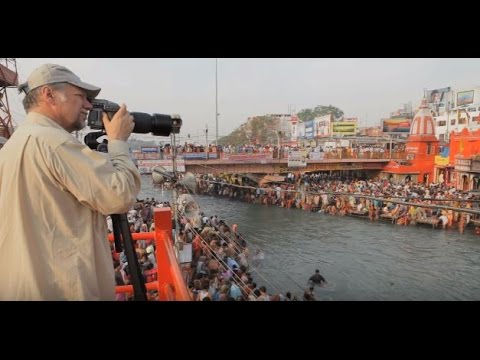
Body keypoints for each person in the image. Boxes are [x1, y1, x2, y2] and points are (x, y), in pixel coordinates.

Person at [0, 63, 141, 300]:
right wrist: (117, 142)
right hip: (63, 288)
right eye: (81, 96)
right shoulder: (55, 142)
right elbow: (120, 195)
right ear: (49, 94)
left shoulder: (13, 145)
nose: (88, 105)